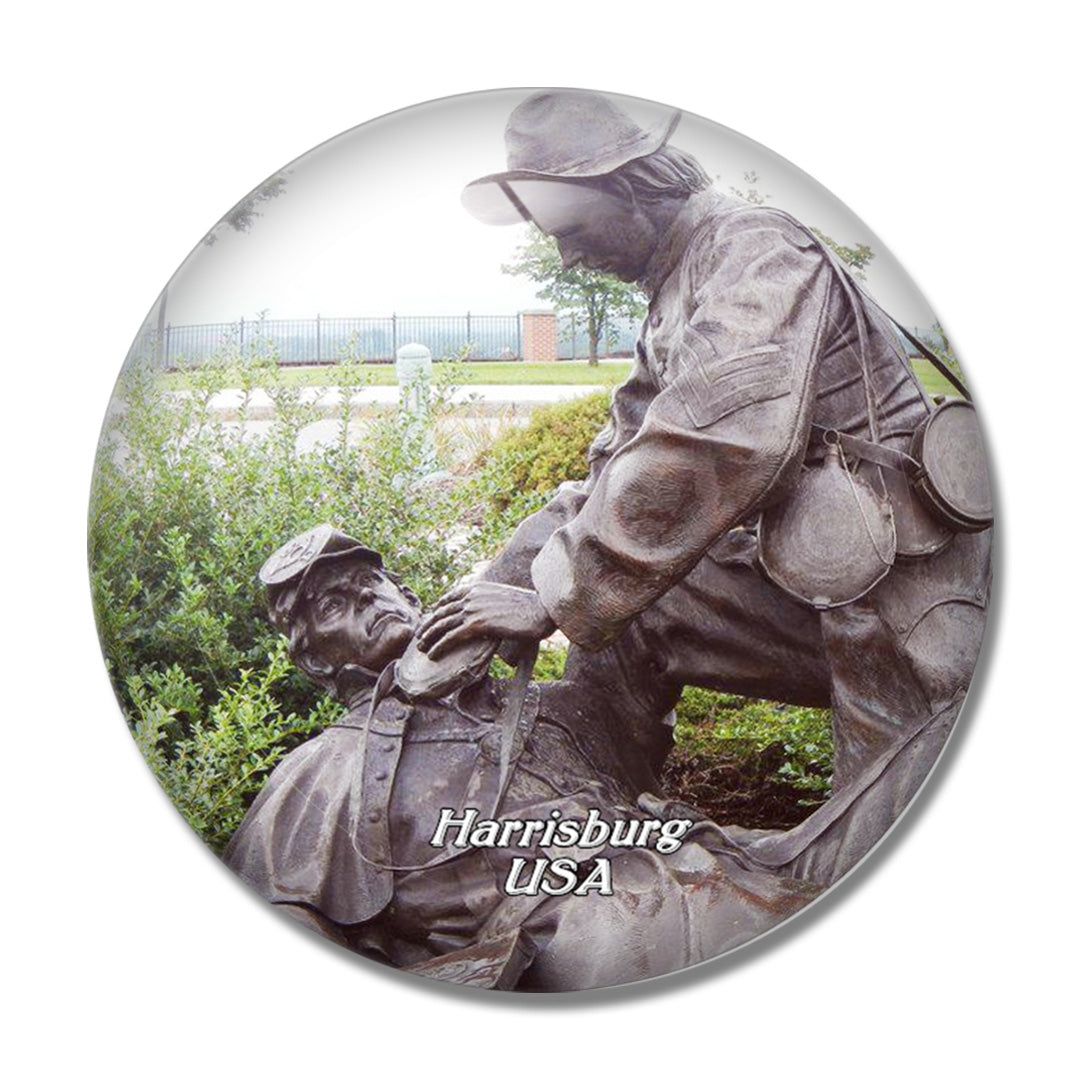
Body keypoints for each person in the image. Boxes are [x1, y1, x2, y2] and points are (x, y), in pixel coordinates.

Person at [418, 90, 992, 886]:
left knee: (868, 859)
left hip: (903, 595)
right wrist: (503, 587)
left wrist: (554, 598)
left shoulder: (753, 249)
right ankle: (592, 825)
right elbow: (617, 463)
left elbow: (715, 444)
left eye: (573, 231)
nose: (568, 259)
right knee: (634, 617)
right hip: (813, 586)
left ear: (633, 189)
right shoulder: (674, 291)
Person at [223, 525, 822, 991]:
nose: (364, 598)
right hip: (584, 930)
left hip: (717, 866)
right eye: (332, 606)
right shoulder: (323, 769)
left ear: (408, 596)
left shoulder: (562, 704)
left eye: (370, 583)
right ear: (316, 661)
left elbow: (636, 552)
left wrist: (554, 602)